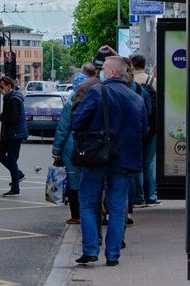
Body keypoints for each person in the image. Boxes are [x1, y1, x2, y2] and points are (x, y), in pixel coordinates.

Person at [72, 56, 148, 266]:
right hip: (125, 160)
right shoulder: (137, 98)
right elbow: (143, 131)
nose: (101, 72)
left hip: (97, 156)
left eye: (104, 68)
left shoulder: (97, 92)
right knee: (117, 207)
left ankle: (90, 250)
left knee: (88, 202)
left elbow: (78, 120)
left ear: (113, 72)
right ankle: (113, 255)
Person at [52, 72, 87, 224]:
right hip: (90, 145)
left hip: (71, 147)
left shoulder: (70, 103)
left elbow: (62, 129)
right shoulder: (94, 100)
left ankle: (76, 215)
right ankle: (89, 212)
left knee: (73, 180)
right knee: (88, 179)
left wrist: (56, 151)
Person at [129, 54, 160, 208]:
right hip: (152, 128)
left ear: (132, 66)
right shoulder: (153, 81)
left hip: (135, 128)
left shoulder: (129, 82)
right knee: (150, 163)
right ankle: (151, 197)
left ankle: (139, 197)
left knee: (137, 162)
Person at [0, 76, 29, 197]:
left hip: (15, 134)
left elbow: (13, 119)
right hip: (11, 134)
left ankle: (15, 188)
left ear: (9, 86)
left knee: (11, 160)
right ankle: (18, 174)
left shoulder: (14, 99)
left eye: (2, 87)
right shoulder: (10, 97)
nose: (0, 89)